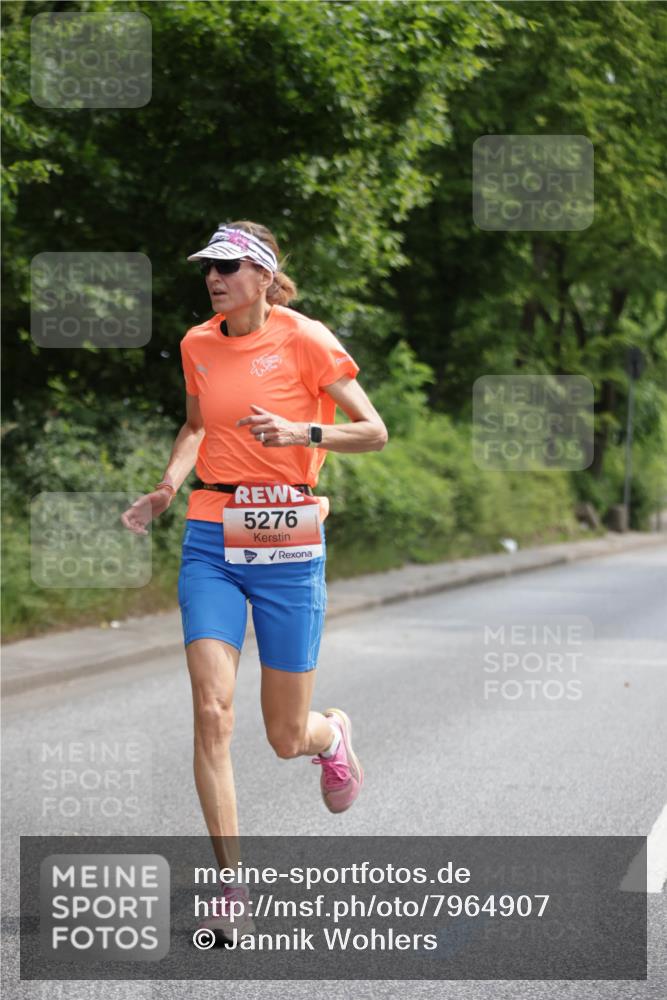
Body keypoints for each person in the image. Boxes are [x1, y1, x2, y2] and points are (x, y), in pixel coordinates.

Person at [121, 220, 388, 939]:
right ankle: (231, 886)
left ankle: (329, 735)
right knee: (212, 714)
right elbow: (196, 425)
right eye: (210, 267)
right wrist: (169, 485)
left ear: (265, 276)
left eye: (232, 267)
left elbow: (373, 431)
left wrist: (303, 434)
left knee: (280, 734)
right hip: (213, 533)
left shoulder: (306, 338)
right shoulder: (197, 342)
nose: (216, 278)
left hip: (290, 540)